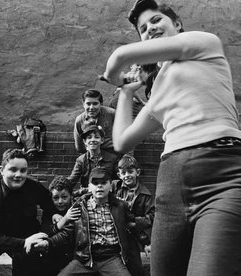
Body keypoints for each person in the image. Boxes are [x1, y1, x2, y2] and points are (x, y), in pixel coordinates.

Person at [102, 0, 241, 275]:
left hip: (223, 175)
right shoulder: (157, 92)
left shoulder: (203, 44)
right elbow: (122, 142)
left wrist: (111, 75)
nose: (150, 29)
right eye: (143, 28)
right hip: (170, 186)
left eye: (155, 21)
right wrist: (127, 93)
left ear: (176, 23)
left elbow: (120, 57)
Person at [34, 167, 134, 276]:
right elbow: (67, 232)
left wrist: (146, 242)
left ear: (110, 185)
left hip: (111, 257)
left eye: (104, 183)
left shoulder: (120, 206)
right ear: (89, 187)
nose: (99, 186)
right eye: (95, 183)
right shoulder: (80, 206)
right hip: (85, 257)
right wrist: (48, 242)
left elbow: (133, 224)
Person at [0, 148, 57, 276]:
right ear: (1, 170)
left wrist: (54, 214)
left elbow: (49, 203)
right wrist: (20, 243)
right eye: (13, 169)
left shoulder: (33, 187)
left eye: (23, 170)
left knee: (33, 269)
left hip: (25, 235)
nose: (18, 175)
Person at [112, 154, 155, 276]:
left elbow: (153, 215)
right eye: (123, 173)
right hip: (113, 233)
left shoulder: (145, 195)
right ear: (119, 175)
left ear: (138, 172)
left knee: (135, 267)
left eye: (130, 171)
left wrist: (135, 222)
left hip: (133, 235)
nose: (127, 175)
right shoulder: (115, 187)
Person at [41, 175, 81, 275]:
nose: (60, 201)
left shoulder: (75, 209)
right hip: (54, 255)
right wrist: (64, 220)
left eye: (64, 197)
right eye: (56, 198)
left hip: (73, 255)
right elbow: (46, 232)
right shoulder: (49, 212)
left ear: (71, 195)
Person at [69, 124, 118, 189]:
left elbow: (118, 179)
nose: (93, 140)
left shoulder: (112, 158)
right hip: (86, 194)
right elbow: (72, 181)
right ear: (85, 141)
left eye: (97, 137)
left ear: (102, 140)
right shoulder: (81, 160)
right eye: (89, 137)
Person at [73, 88, 116, 155]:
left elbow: (126, 134)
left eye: (95, 103)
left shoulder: (112, 114)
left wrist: (127, 156)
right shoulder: (79, 120)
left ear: (101, 104)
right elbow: (79, 147)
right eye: (88, 104)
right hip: (92, 156)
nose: (91, 107)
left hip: (113, 154)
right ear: (83, 104)